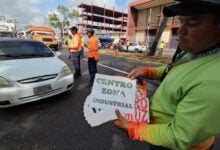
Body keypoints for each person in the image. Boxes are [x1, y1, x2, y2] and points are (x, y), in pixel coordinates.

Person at [113, 0, 220, 150]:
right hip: (159, 135)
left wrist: (132, 129)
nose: (180, 30)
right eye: (182, 22)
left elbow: (178, 136)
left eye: (193, 23)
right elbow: (175, 68)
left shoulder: (213, 82)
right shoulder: (197, 52)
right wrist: (148, 72)